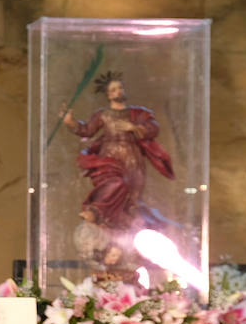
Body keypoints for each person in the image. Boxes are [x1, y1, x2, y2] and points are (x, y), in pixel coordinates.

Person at [60, 71, 175, 234]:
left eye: (120, 88)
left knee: (132, 197)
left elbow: (153, 128)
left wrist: (135, 128)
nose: (118, 91)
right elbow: (87, 130)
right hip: (109, 158)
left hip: (132, 157)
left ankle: (124, 235)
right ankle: (94, 211)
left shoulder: (138, 113)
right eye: (113, 89)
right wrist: (71, 122)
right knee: (113, 184)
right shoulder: (103, 114)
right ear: (108, 95)